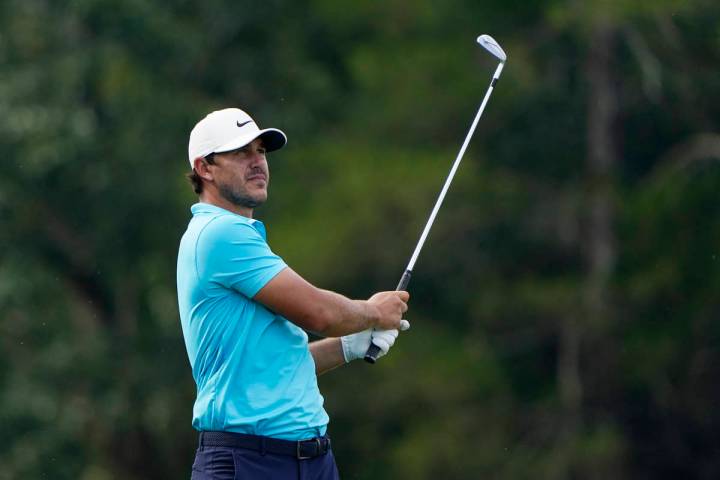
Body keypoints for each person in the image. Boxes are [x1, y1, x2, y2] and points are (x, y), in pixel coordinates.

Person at [177, 107, 410, 480]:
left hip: (310, 460)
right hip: (248, 463)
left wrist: (349, 346)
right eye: (241, 153)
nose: (257, 163)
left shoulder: (240, 237)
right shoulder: (219, 234)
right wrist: (372, 311)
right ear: (205, 168)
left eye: (261, 152)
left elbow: (278, 365)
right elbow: (320, 315)